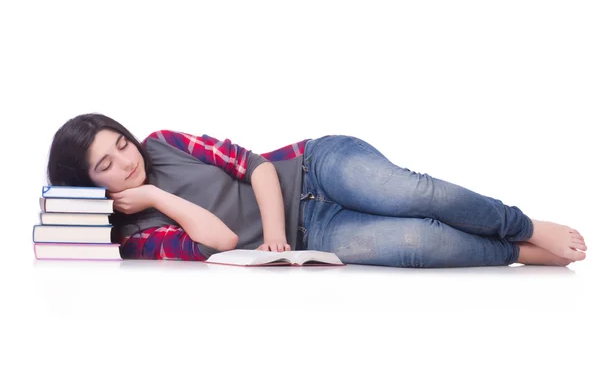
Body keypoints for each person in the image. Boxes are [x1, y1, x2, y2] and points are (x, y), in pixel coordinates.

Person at [46, 113, 587, 268]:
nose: (125, 159)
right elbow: (220, 242)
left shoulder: (163, 142)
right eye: (105, 164)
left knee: (409, 195)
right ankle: (516, 252)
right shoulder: (135, 234)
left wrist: (276, 233)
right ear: (85, 183)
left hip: (314, 168)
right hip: (316, 231)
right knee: (417, 245)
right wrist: (158, 200)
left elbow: (255, 165)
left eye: (121, 142)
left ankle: (525, 225)